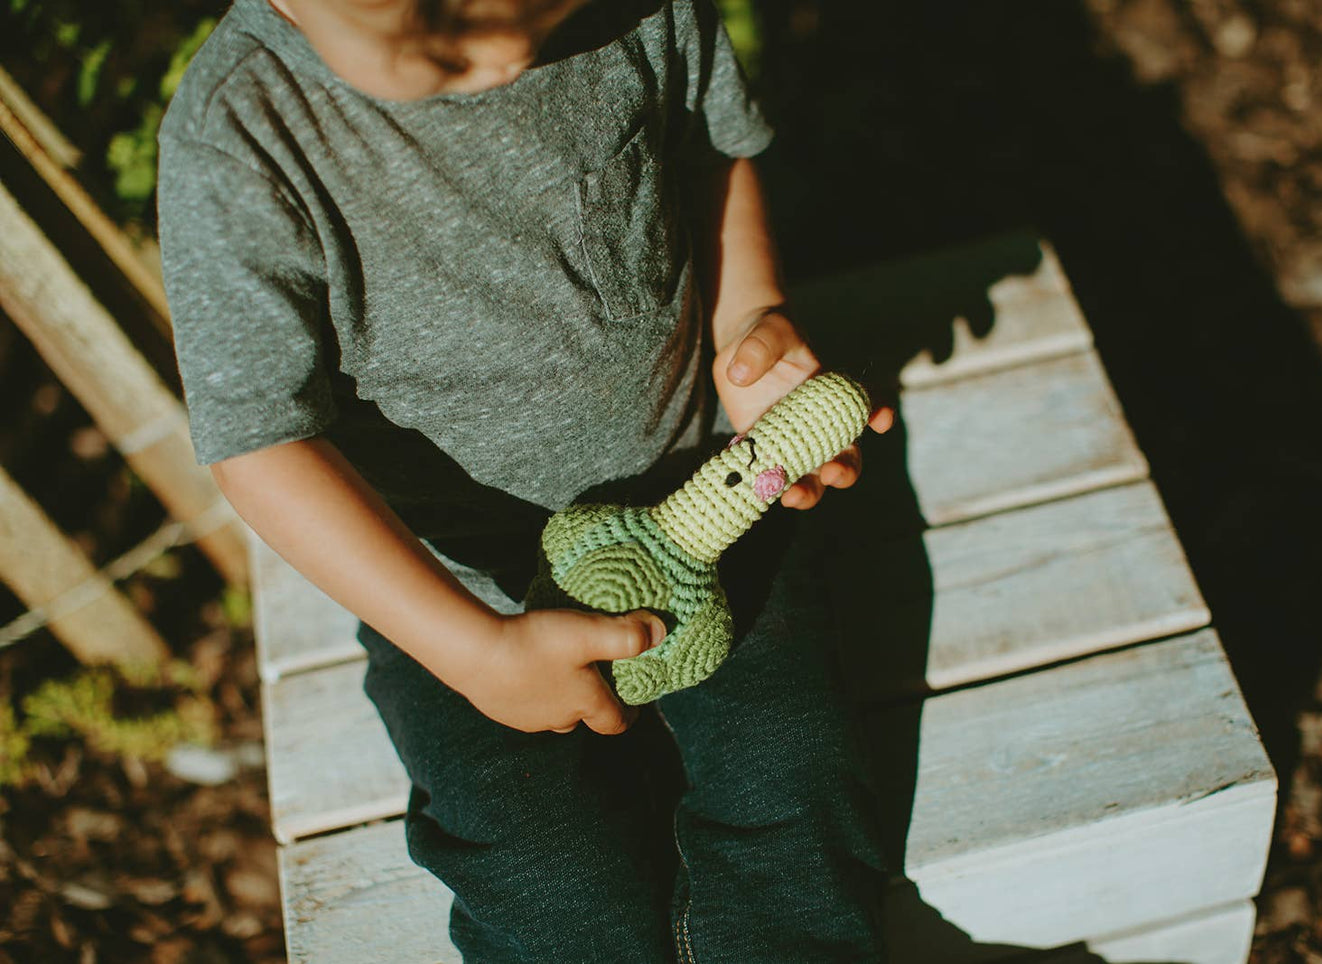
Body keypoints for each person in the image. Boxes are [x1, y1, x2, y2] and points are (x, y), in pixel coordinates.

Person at [158, 0, 893, 958]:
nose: (506, 51)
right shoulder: (242, 139)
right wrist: (473, 652)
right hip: (465, 585)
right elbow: (261, 442)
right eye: (443, 37)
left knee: (795, 776)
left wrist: (749, 329)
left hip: (699, 504)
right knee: (544, 876)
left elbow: (709, 153)